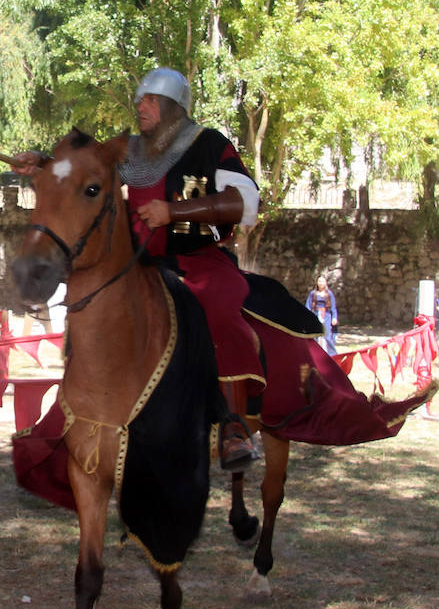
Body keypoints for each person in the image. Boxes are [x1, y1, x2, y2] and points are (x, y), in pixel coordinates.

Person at [13, 67, 263, 471]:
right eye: (139, 100)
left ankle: (233, 425)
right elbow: (83, 172)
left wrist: (174, 211)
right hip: (141, 262)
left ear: (173, 107)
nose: (140, 107)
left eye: (149, 100)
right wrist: (41, 163)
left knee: (218, 307)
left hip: (199, 259)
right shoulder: (130, 150)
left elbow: (247, 203)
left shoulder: (208, 143)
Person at [305, 275, 339, 355]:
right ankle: (314, 354)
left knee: (327, 336)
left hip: (326, 315)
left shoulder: (329, 294)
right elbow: (308, 306)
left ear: (326, 283)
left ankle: (332, 355)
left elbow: (333, 307)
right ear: (317, 282)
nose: (321, 283)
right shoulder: (312, 294)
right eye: (319, 281)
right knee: (314, 335)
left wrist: (334, 317)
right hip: (315, 315)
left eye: (322, 281)